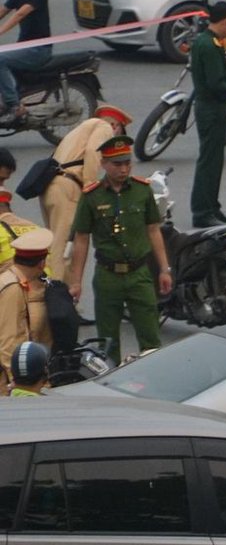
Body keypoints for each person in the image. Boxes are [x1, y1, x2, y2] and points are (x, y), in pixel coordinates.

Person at [67, 135, 170, 363]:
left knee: (150, 339)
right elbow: (82, 239)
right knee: (107, 342)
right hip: (107, 276)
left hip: (139, 274)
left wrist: (164, 269)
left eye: (127, 163)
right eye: (117, 164)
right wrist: (75, 282)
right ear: (104, 164)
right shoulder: (92, 196)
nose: (123, 169)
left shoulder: (142, 191)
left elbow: (153, 230)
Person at [40, 103, 130, 285]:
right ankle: (58, 300)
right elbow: (92, 152)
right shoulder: (103, 127)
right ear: (115, 126)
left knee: (53, 245)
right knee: (62, 248)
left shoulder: (80, 130)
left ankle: (51, 293)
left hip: (51, 186)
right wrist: (90, 187)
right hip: (69, 187)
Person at [187, 1, 226, 228]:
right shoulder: (210, 45)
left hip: (210, 107)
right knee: (209, 162)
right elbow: (214, 83)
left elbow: (216, 76)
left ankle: (212, 206)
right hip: (212, 108)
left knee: (214, 160)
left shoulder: (205, 41)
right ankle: (202, 211)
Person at [0, 0, 50, 125]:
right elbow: (4, 11)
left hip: (39, 50)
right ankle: (7, 100)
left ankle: (14, 106)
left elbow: (20, 14)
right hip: (25, 47)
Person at [0, 226, 52, 379]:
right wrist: (18, 380)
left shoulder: (11, 279)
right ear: (42, 264)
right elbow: (9, 341)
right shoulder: (13, 288)